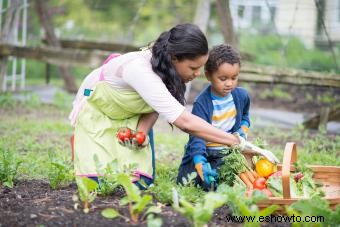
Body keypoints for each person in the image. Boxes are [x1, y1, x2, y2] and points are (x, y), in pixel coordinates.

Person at [69, 23, 266, 189]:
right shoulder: (141, 70)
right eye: (193, 68)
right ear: (174, 58)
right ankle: (81, 144)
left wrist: (142, 132)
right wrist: (237, 142)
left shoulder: (165, 66)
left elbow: (154, 104)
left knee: (141, 183)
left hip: (130, 113)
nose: (198, 74)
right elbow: (185, 122)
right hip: (99, 110)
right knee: (100, 184)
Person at [176, 44, 279, 190]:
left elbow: (245, 116)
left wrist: (243, 129)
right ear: (208, 75)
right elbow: (196, 136)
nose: (229, 83)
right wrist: (199, 161)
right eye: (223, 78)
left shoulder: (241, 96)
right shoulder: (202, 102)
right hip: (206, 150)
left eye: (234, 78)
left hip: (227, 152)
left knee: (229, 178)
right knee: (191, 179)